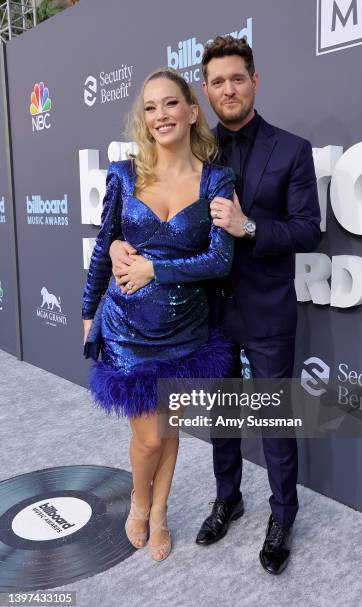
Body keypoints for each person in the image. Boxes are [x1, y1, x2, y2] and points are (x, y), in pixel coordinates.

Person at [109, 36, 321, 574]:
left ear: (255, 81)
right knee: (222, 419)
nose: (229, 88)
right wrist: (114, 242)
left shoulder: (292, 149)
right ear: (204, 91)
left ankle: (282, 517)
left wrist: (249, 227)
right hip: (205, 315)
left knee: (274, 421)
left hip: (267, 310)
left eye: (237, 78)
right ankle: (227, 499)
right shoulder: (195, 153)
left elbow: (307, 231)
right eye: (218, 81)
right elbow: (147, 216)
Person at [81, 66, 236, 562]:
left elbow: (219, 260)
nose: (160, 115)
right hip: (128, 328)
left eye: (170, 104)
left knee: (169, 428)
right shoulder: (124, 175)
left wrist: (154, 267)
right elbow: (105, 245)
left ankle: (161, 512)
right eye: (150, 108)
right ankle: (138, 502)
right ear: (143, 120)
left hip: (186, 330)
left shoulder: (216, 178)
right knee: (148, 436)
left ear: (192, 112)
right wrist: (89, 311)